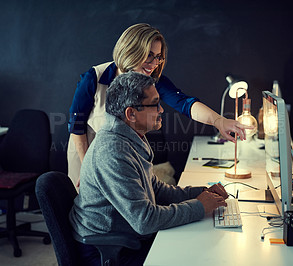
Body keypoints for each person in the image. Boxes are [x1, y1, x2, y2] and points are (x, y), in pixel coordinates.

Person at [69, 71, 229, 265]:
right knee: (198, 257)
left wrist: (201, 193)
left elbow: (156, 189)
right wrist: (199, 206)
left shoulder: (132, 136)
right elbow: (145, 221)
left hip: (126, 236)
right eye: (155, 104)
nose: (161, 110)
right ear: (131, 113)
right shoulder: (113, 152)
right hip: (108, 250)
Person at [67, 23, 252, 189]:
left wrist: (219, 121)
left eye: (158, 57)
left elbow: (185, 103)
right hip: (86, 155)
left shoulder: (152, 81)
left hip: (123, 159)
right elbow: (77, 127)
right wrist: (87, 169)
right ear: (131, 50)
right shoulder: (94, 78)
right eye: (149, 56)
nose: (154, 64)